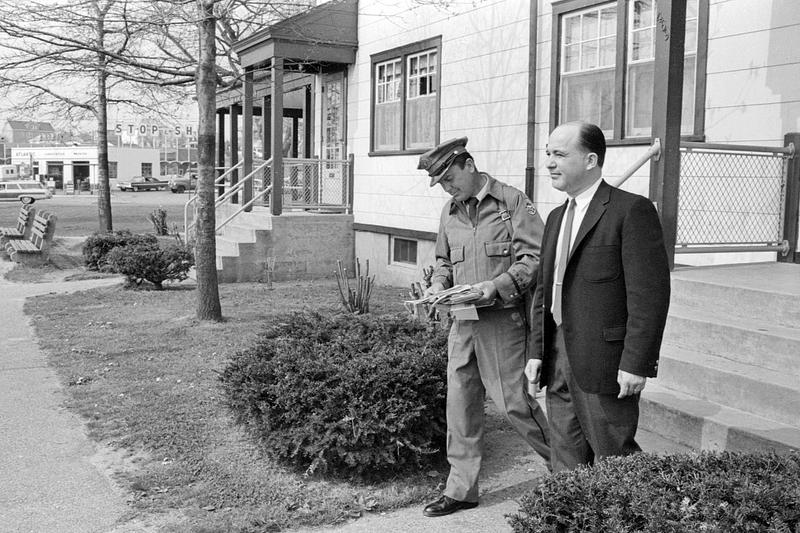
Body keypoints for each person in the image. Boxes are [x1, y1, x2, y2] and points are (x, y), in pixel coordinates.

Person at [526, 121, 671, 473]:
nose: (549, 163)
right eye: (547, 154)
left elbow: (649, 295)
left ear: (590, 160)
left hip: (604, 361)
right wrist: (536, 351)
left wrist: (636, 362)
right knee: (565, 459)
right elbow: (544, 290)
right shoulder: (557, 216)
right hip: (558, 356)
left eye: (559, 154)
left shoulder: (630, 211)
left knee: (614, 460)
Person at [418, 137, 550, 517]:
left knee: (514, 406)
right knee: (460, 407)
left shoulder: (510, 203)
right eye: (441, 183)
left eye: (449, 178)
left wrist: (497, 285)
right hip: (462, 322)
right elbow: (444, 260)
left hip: (502, 322)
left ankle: (565, 469)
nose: (447, 187)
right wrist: (438, 284)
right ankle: (461, 489)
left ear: (469, 164)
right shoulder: (450, 212)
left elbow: (536, 256)